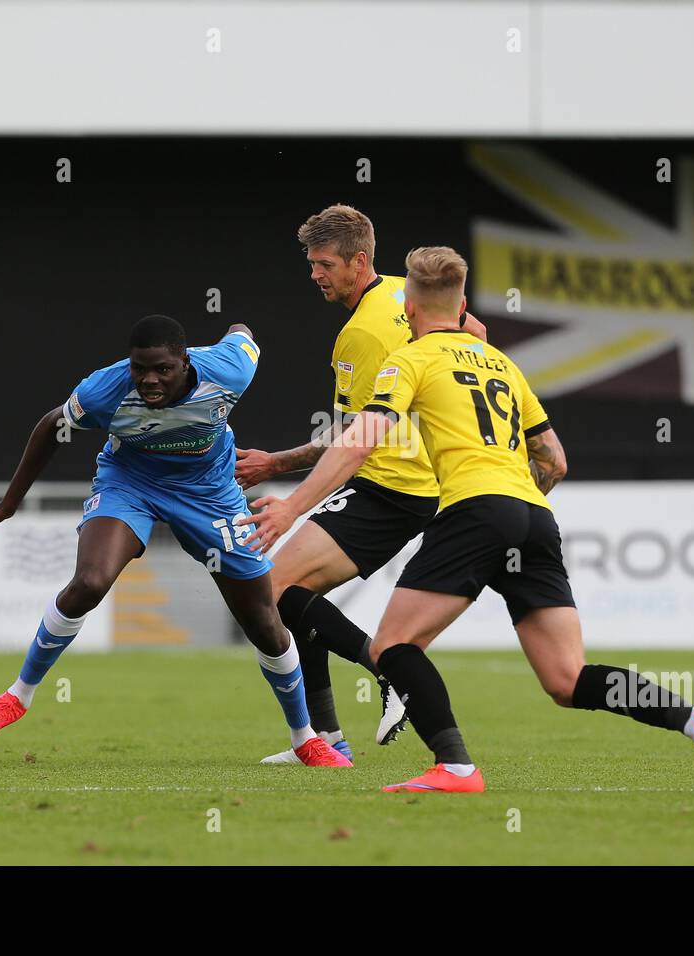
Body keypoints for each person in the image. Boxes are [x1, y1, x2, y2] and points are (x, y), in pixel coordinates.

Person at [239, 248, 694, 792]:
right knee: (566, 678)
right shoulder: (503, 364)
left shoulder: (409, 360)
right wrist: (514, 501)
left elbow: (358, 443)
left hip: (474, 511)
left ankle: (456, 767)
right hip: (534, 516)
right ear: (462, 306)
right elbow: (554, 459)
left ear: (409, 307)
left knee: (392, 648)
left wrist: (292, 506)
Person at [0, 314, 350, 767]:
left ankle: (304, 738)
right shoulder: (103, 390)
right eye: (139, 368)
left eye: (162, 369)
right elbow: (51, 426)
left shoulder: (229, 370)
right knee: (90, 581)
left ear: (185, 362)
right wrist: (9, 504)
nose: (149, 380)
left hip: (211, 493)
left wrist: (238, 329)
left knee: (263, 619)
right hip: (131, 484)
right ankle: (17, 698)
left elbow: (243, 334)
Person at [234, 204, 487, 764]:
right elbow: (475, 331)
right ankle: (326, 739)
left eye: (325, 264)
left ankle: (386, 667)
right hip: (419, 481)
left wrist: (283, 476)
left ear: (359, 261)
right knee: (294, 597)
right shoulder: (407, 291)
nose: (315, 274)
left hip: (389, 486)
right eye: (312, 264)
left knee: (268, 590)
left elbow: (358, 435)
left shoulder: (362, 335)